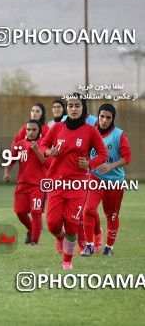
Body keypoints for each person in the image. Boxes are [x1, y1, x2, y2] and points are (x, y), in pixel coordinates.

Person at [39, 94, 107, 270]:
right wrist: (48, 152)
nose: (73, 109)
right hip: (56, 183)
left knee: (71, 225)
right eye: (70, 106)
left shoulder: (91, 131)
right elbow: (42, 146)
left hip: (77, 184)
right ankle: (60, 239)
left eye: (77, 105)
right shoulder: (56, 128)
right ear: (66, 108)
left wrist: (90, 164)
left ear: (83, 108)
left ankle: (67, 261)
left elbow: (103, 155)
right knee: (53, 224)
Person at [81, 104, 131, 256]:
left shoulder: (119, 135)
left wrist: (110, 166)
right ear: (98, 116)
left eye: (108, 118)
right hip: (96, 178)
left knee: (111, 215)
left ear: (112, 119)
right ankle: (89, 245)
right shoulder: (91, 132)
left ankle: (109, 247)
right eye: (102, 116)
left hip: (114, 181)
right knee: (88, 210)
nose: (104, 120)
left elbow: (127, 158)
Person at [4, 120, 50, 245]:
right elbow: (10, 160)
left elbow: (47, 163)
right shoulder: (19, 144)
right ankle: (31, 229)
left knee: (36, 212)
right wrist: (7, 173)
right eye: (28, 129)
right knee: (20, 212)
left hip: (38, 186)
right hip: (22, 186)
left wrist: (37, 150)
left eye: (34, 130)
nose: (30, 132)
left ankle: (34, 241)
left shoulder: (43, 145)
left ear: (39, 131)